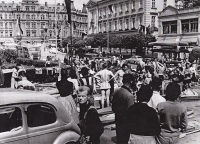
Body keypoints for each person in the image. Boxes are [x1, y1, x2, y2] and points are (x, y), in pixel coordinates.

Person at [111, 74, 135, 144]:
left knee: (119, 138)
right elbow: (131, 111)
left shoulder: (116, 91)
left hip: (118, 118)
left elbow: (113, 106)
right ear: (131, 82)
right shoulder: (129, 95)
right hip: (126, 121)